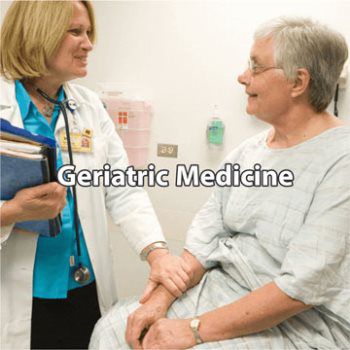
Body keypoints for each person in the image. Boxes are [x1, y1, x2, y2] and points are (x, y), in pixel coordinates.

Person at [89, 16, 350, 349]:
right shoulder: (248, 153)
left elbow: (301, 288)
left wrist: (193, 329)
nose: (242, 77)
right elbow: (203, 242)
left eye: (256, 68)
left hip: (301, 323)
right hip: (222, 289)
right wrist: (158, 302)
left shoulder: (341, 160)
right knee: (113, 329)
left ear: (298, 82)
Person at [0, 1, 192, 349]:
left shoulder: (87, 107)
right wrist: (13, 212)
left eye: (88, 32)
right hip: (17, 296)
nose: (88, 44)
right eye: (76, 32)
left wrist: (157, 253)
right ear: (37, 34)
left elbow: (123, 189)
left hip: (85, 288)